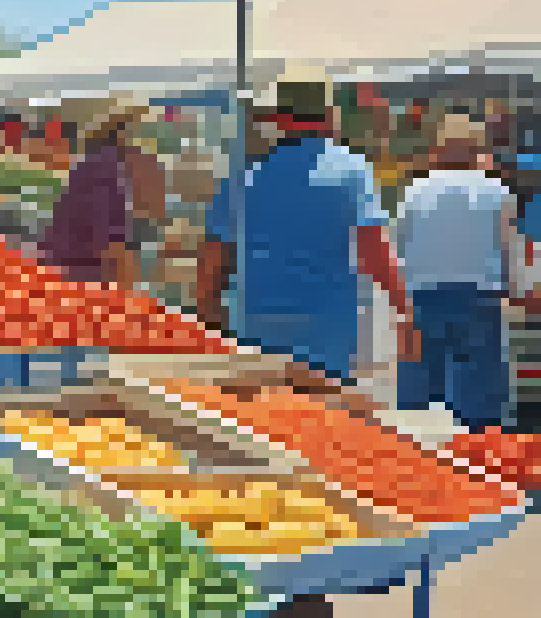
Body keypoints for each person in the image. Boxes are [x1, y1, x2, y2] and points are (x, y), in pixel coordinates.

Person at [198, 67, 417, 382]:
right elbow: (373, 249)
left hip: (256, 325)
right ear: (329, 116)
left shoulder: (241, 179)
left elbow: (212, 259)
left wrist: (207, 320)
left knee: (261, 424)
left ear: (278, 120)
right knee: (320, 424)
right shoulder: (353, 169)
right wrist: (403, 311)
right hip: (328, 330)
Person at [393, 112, 525, 430]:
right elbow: (510, 250)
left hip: (422, 298)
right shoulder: (497, 191)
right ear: (478, 151)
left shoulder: (414, 190)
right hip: (479, 299)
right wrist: (519, 290)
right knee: (479, 397)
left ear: (437, 151)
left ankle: (425, 465)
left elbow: (398, 247)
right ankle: (480, 460)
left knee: (421, 395)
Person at [37, 95, 158, 285]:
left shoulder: (93, 163)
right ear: (121, 133)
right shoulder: (108, 171)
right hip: (80, 280)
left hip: (64, 271)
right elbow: (112, 246)